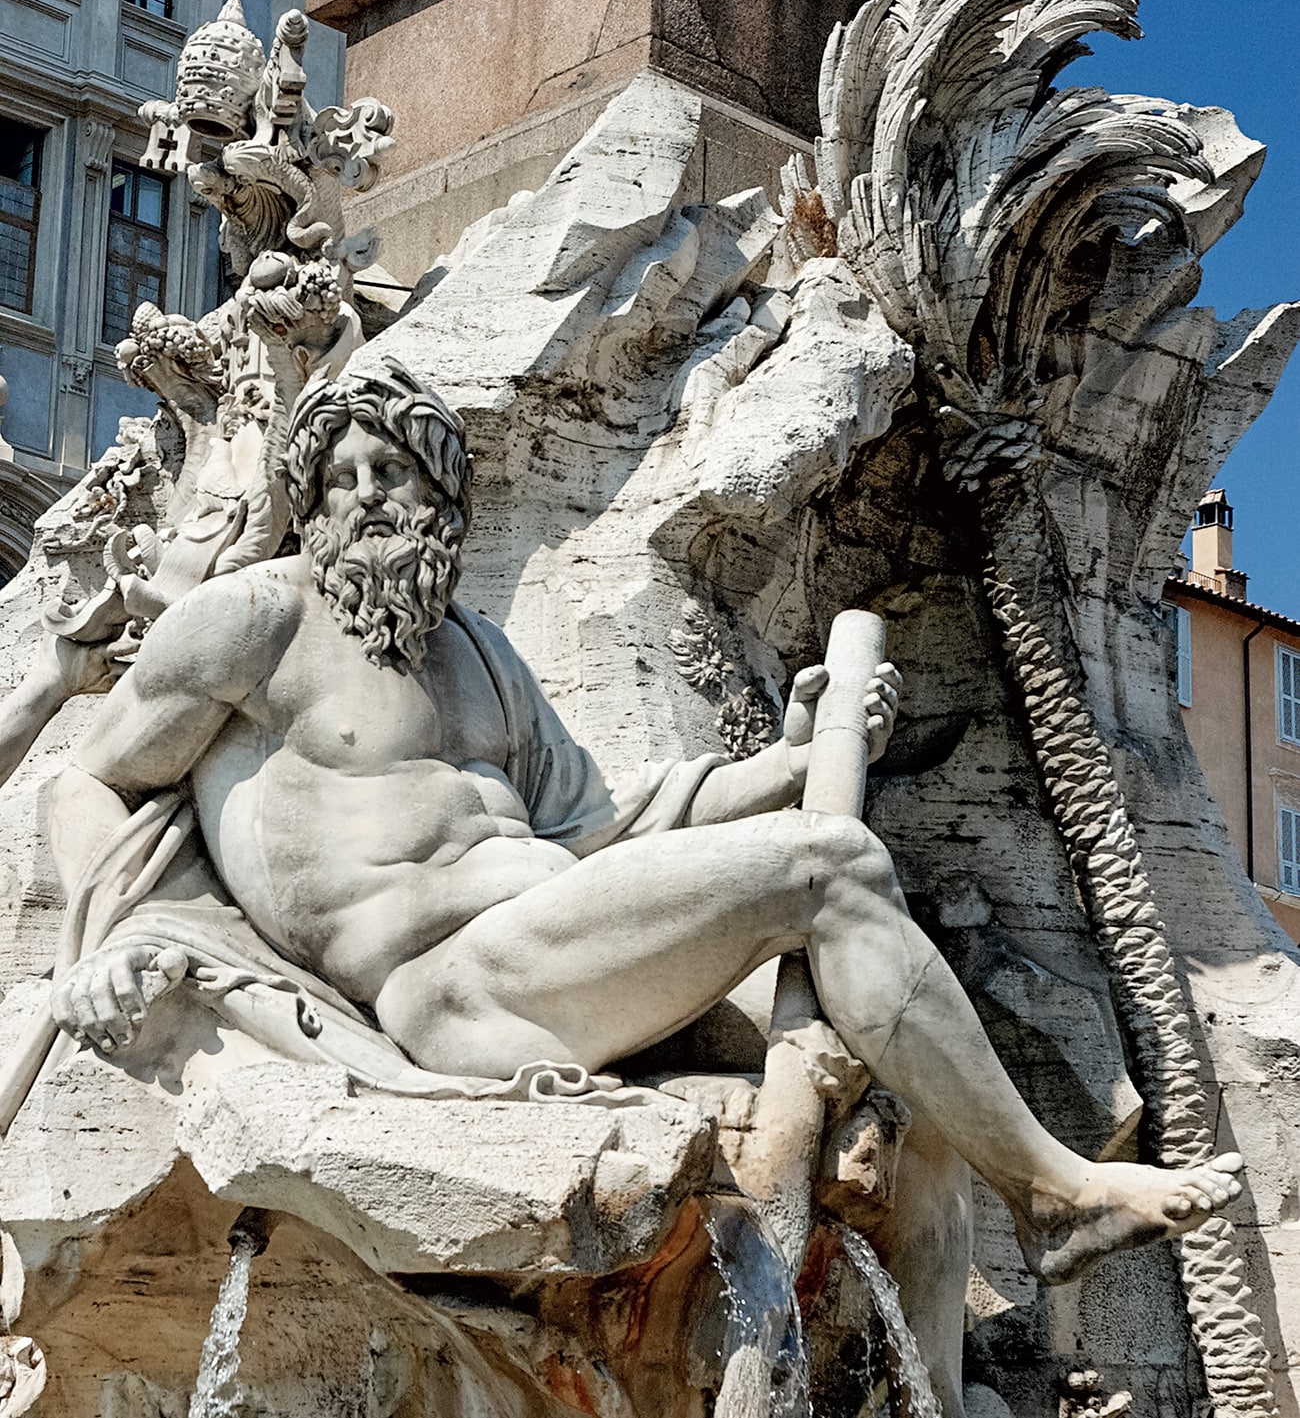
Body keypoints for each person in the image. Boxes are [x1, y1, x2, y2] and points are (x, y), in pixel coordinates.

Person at [48, 361, 1242, 1287]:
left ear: (441, 492)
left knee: (893, 1096)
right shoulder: (256, 617)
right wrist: (102, 943)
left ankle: (1008, 1225)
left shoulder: (479, 655)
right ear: (306, 501)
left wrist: (788, 759)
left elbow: (608, 830)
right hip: (441, 992)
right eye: (339, 477)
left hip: (549, 943)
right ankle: (1053, 1191)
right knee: (831, 863)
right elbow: (87, 778)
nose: (364, 498)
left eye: (392, 471)